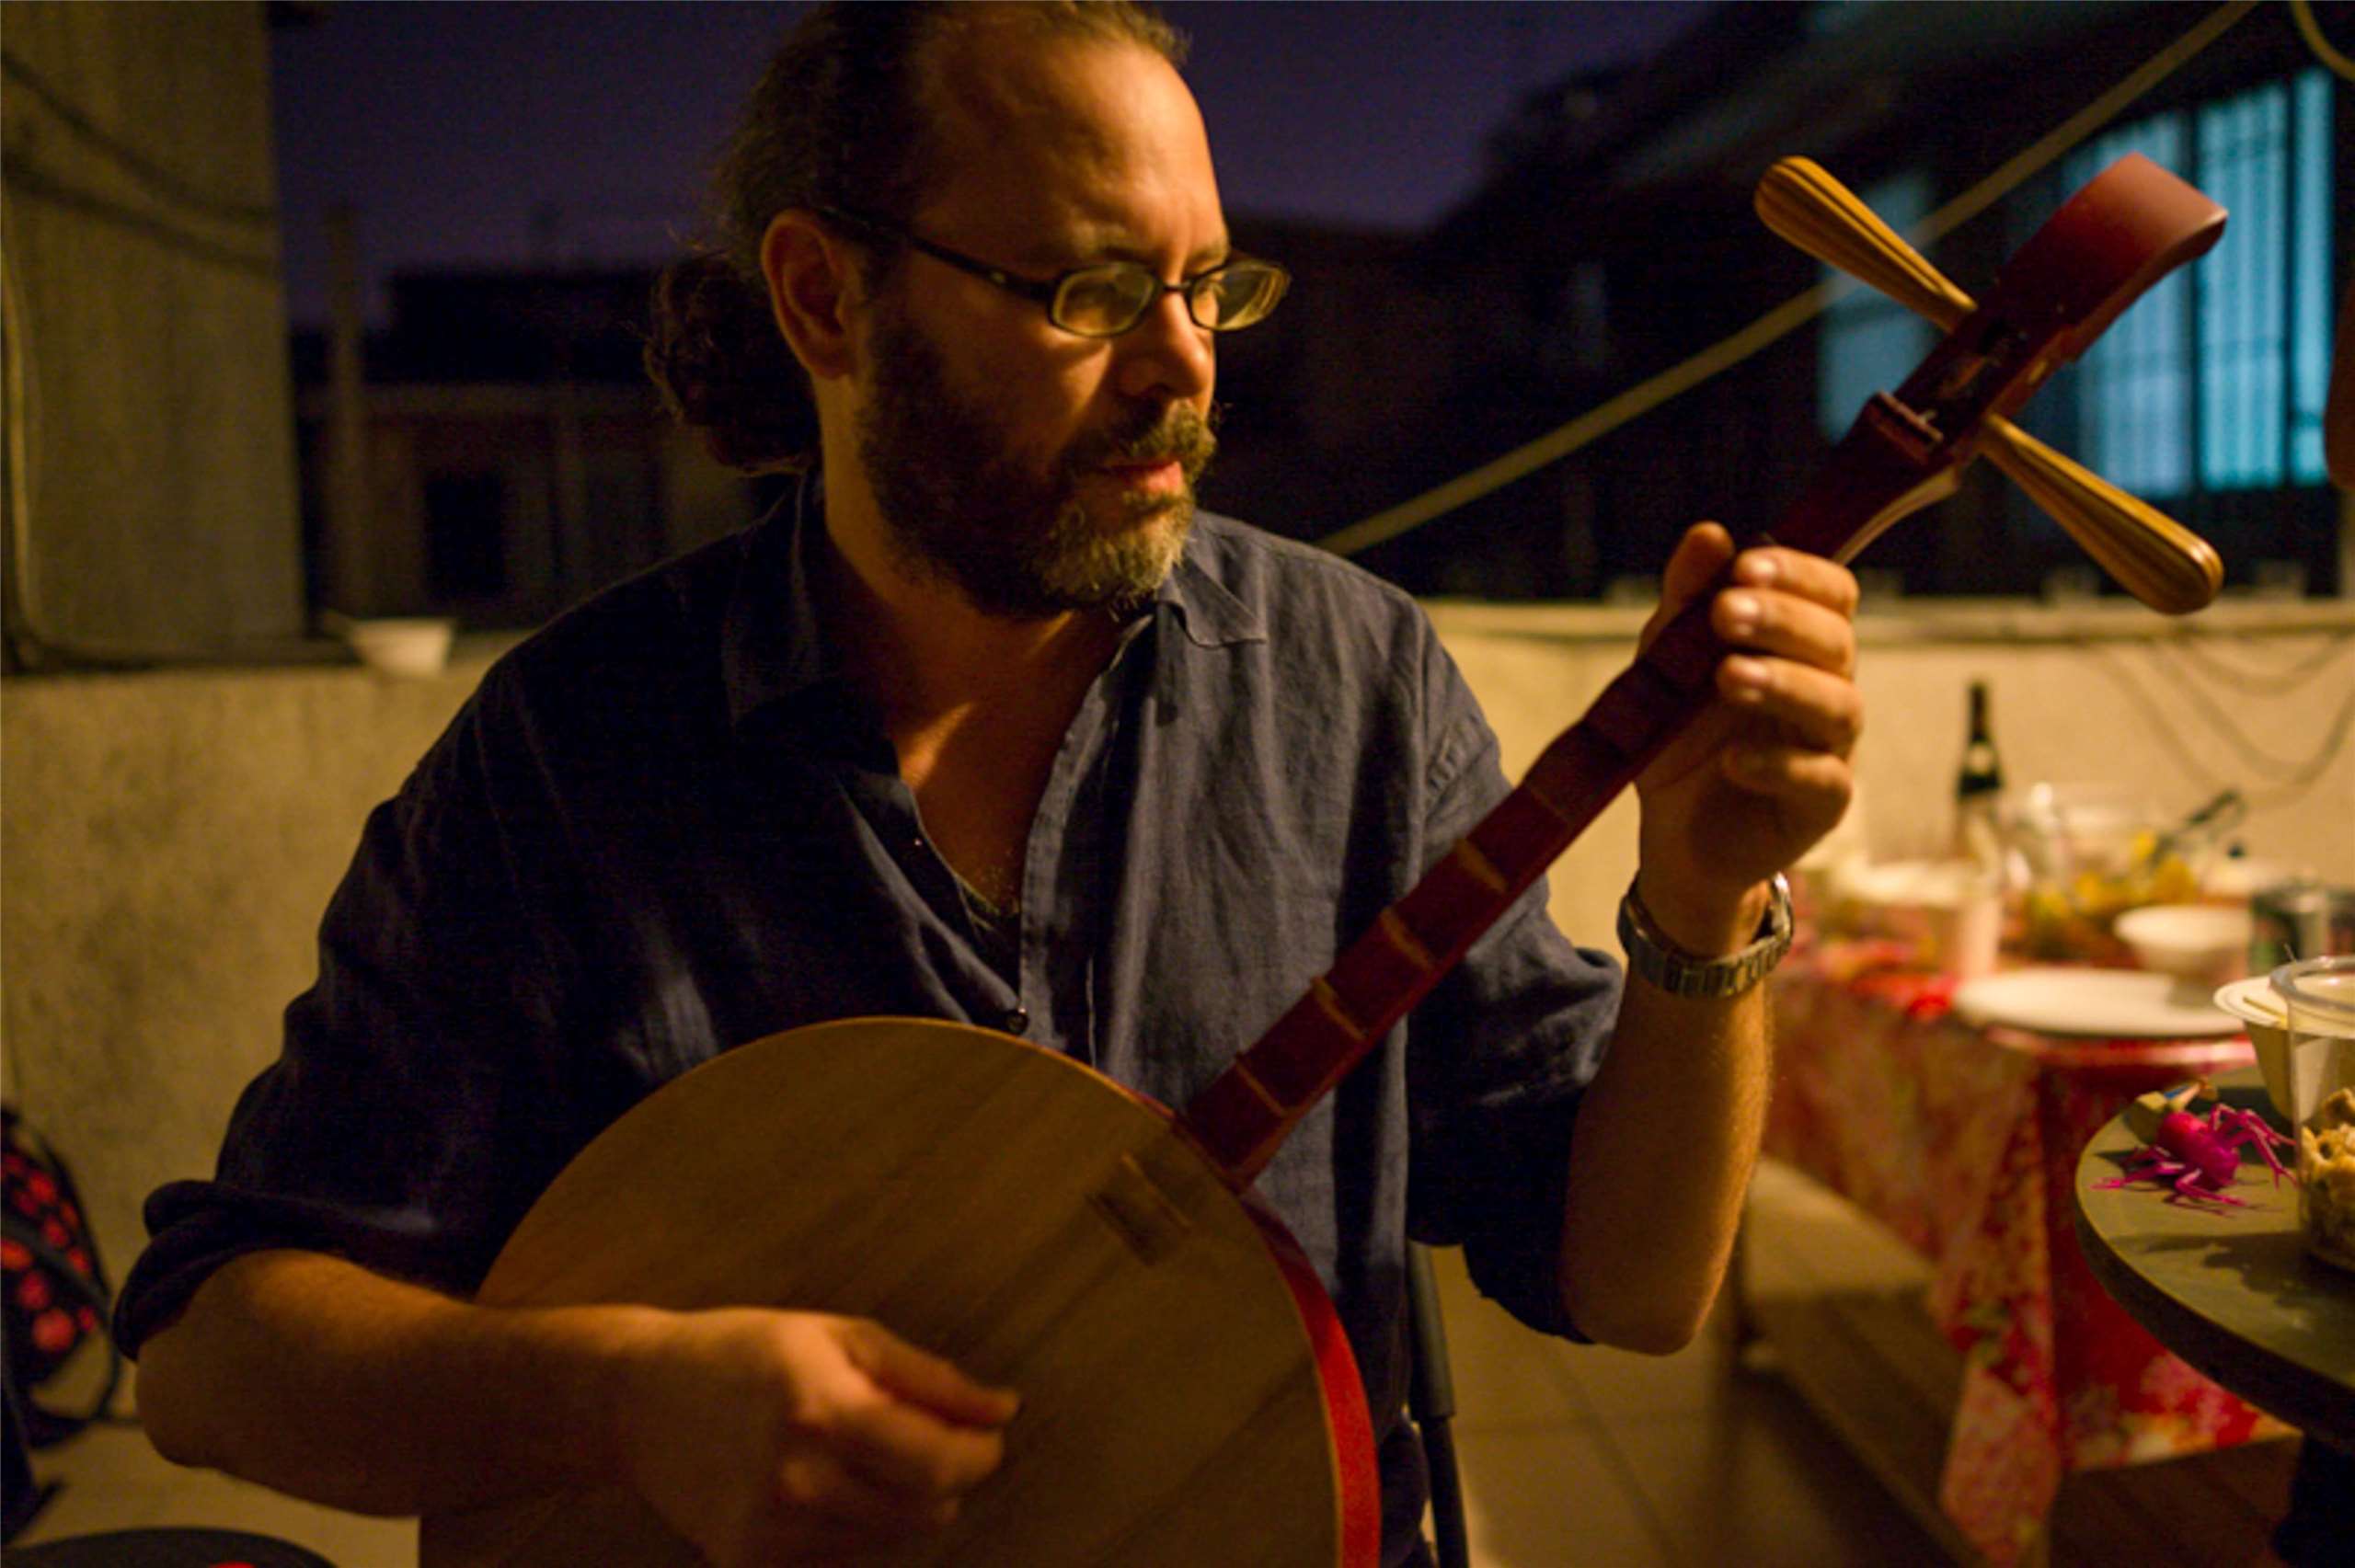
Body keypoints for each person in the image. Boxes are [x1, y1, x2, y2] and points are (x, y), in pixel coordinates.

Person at [121, 5, 1863, 1565]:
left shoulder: (1357, 682)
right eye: (1088, 293)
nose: (1185, 367)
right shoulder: (574, 757)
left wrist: (1704, 912)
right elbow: (215, 1357)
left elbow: (1634, 1286)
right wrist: (629, 1395)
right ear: (824, 297)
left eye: (1207, 288)